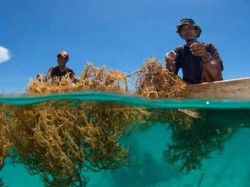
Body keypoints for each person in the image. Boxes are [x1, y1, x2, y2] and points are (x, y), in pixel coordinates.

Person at [165, 18, 223, 84]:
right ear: (181, 34)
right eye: (183, 29)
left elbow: (218, 69)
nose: (187, 31)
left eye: (190, 28)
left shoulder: (208, 46)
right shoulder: (179, 50)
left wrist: (206, 56)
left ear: (196, 31)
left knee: (211, 65)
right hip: (189, 87)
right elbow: (171, 73)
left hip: (209, 85)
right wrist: (170, 63)